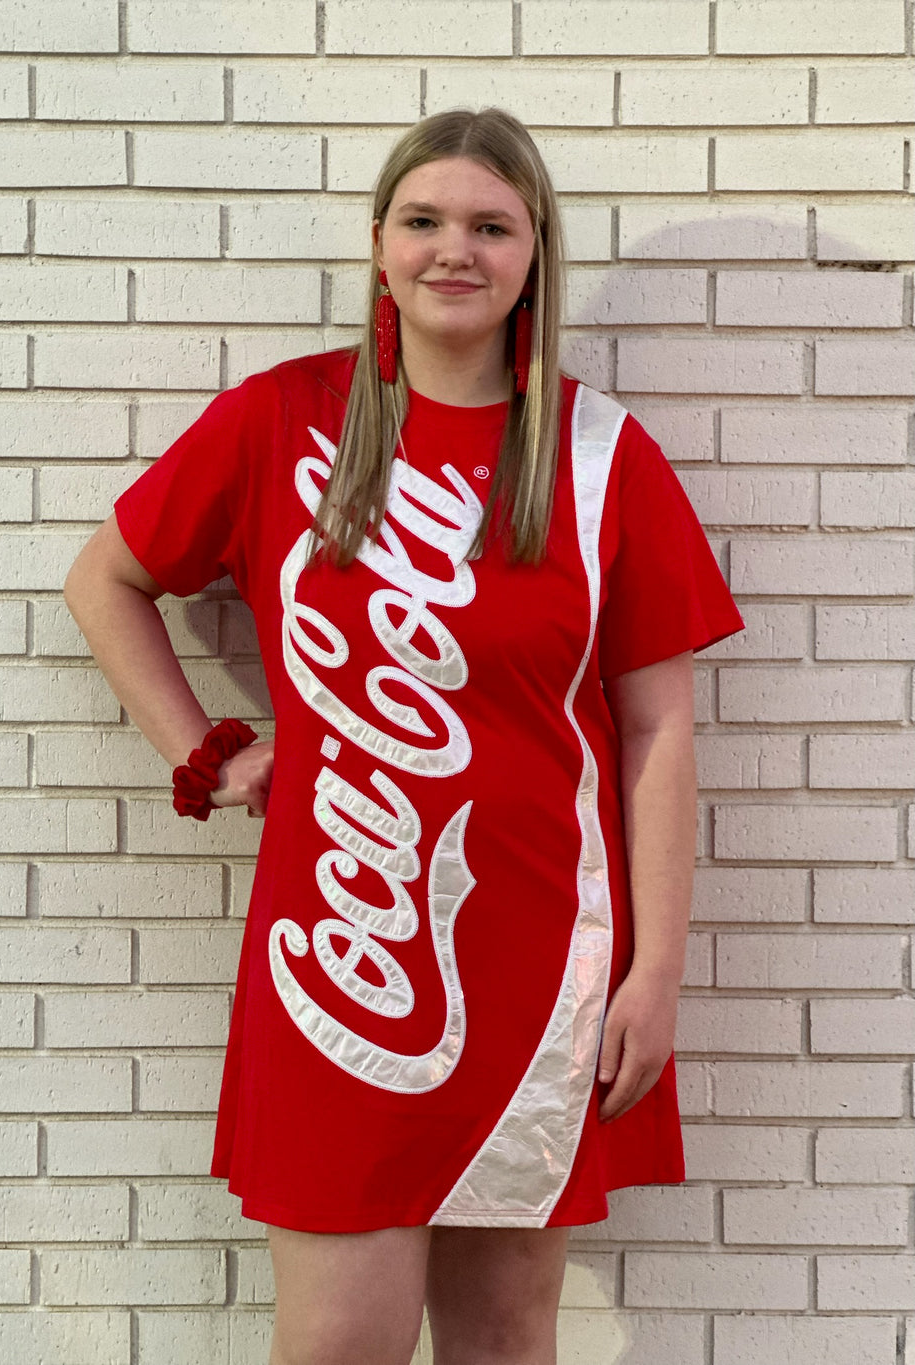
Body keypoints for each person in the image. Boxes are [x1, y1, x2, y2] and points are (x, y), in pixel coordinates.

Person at [64, 107, 744, 1365]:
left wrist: (656, 974)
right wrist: (208, 748)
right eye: (423, 221)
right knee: (337, 1345)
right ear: (378, 244)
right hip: (346, 942)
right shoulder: (283, 421)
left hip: (546, 957)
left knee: (501, 1343)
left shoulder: (601, 459)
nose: (454, 251)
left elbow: (655, 731)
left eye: (491, 226)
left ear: (535, 251)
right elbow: (105, 579)